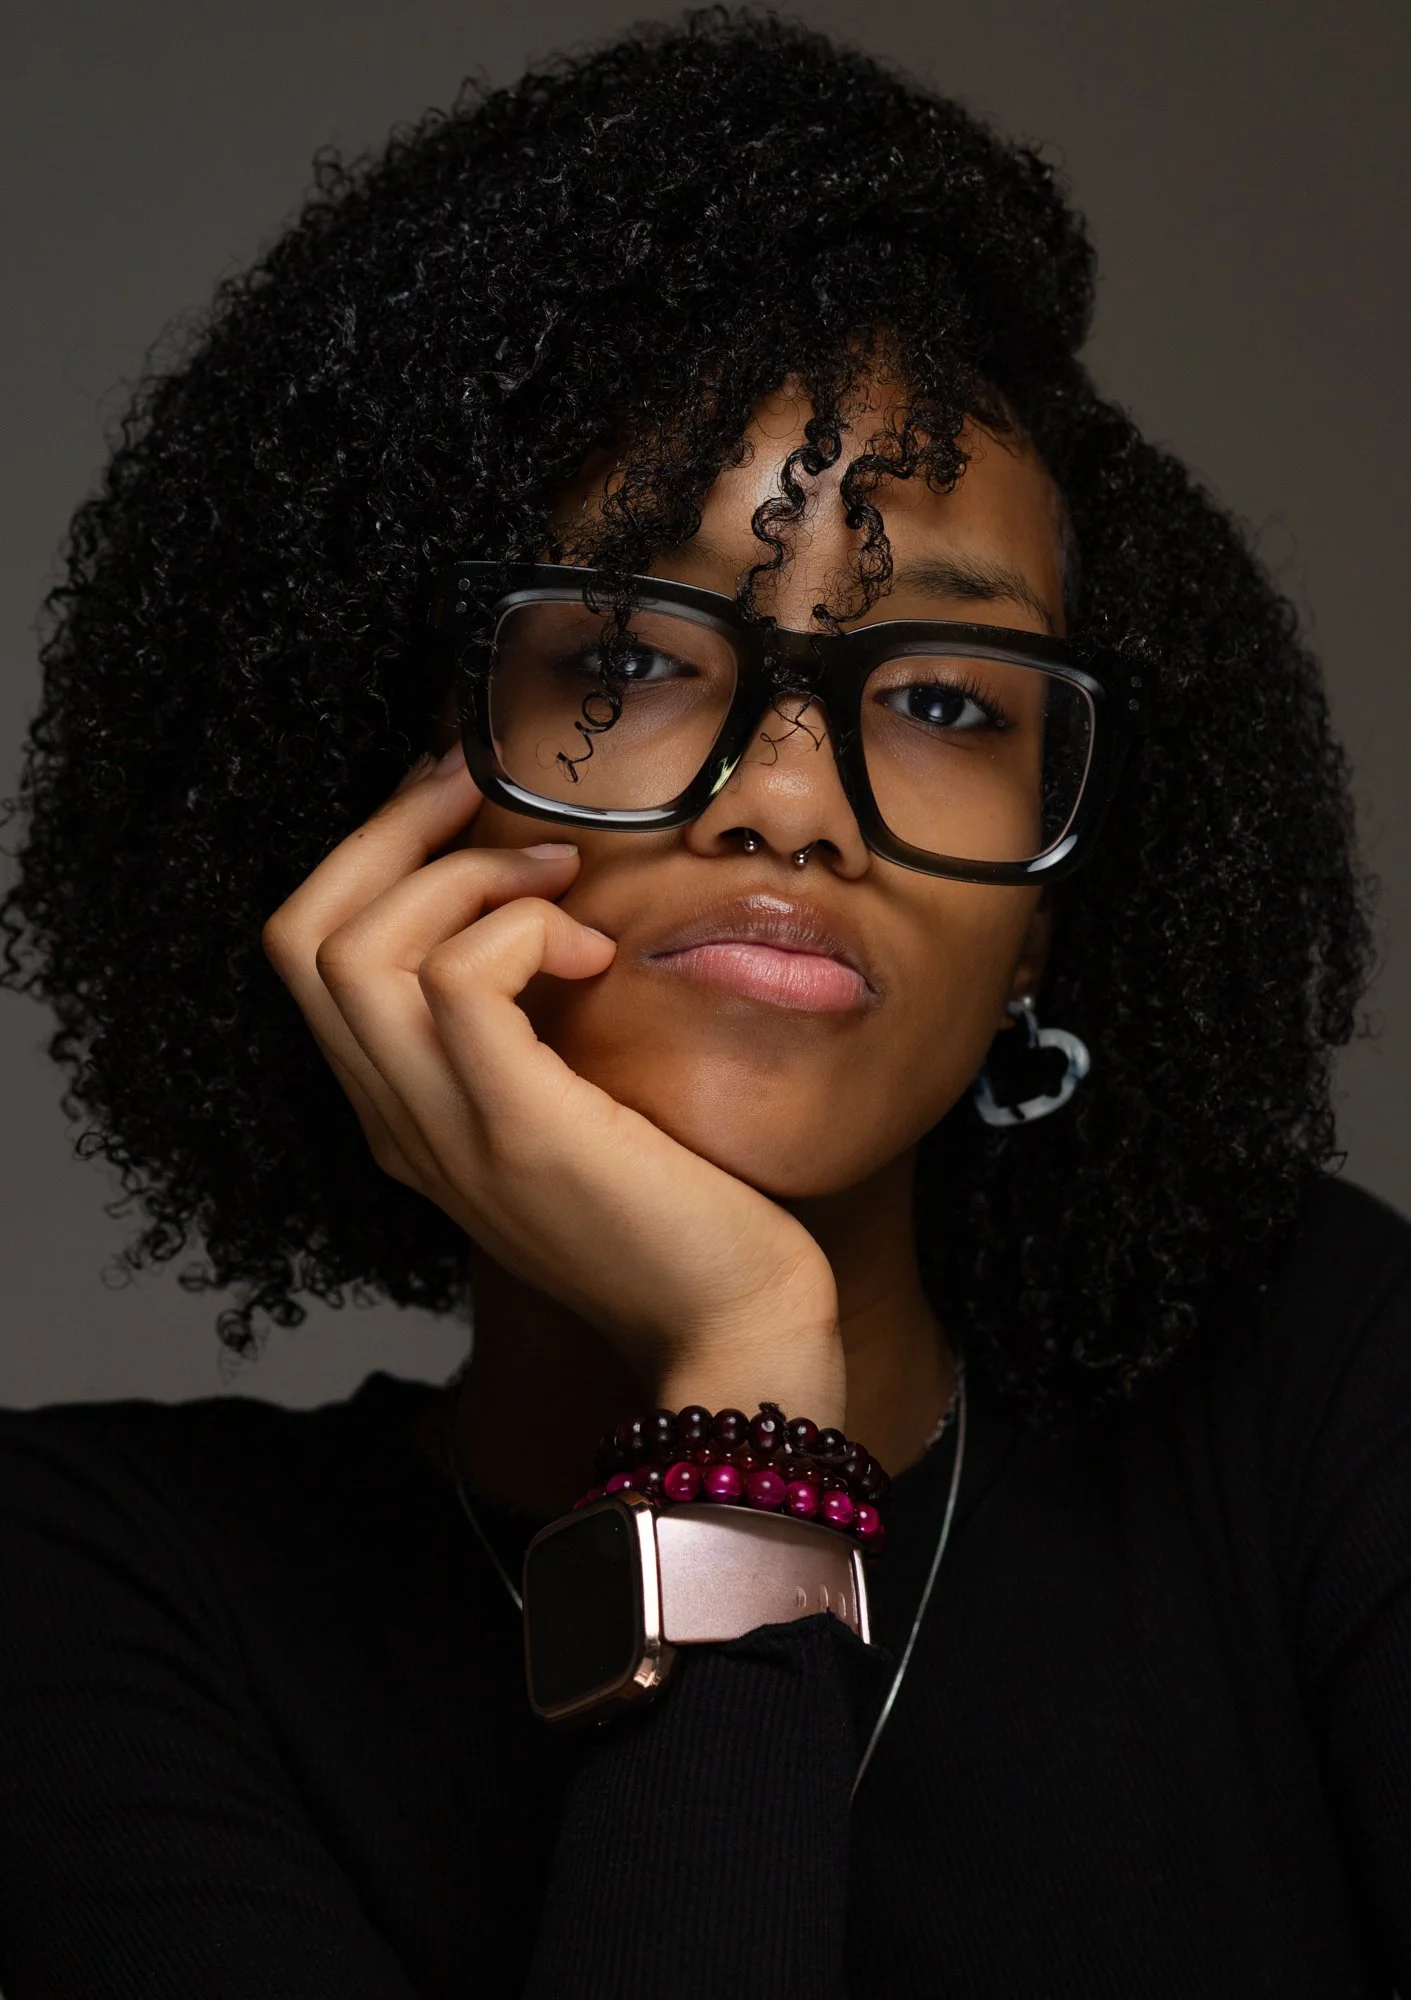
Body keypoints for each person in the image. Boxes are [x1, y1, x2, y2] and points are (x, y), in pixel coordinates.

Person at [0, 9, 1407, 1996]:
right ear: (390, 783)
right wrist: (747, 1370)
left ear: (1045, 918)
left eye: (944, 700)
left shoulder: (1325, 1396)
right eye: (631, 655)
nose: (793, 799)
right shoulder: (96, 1584)